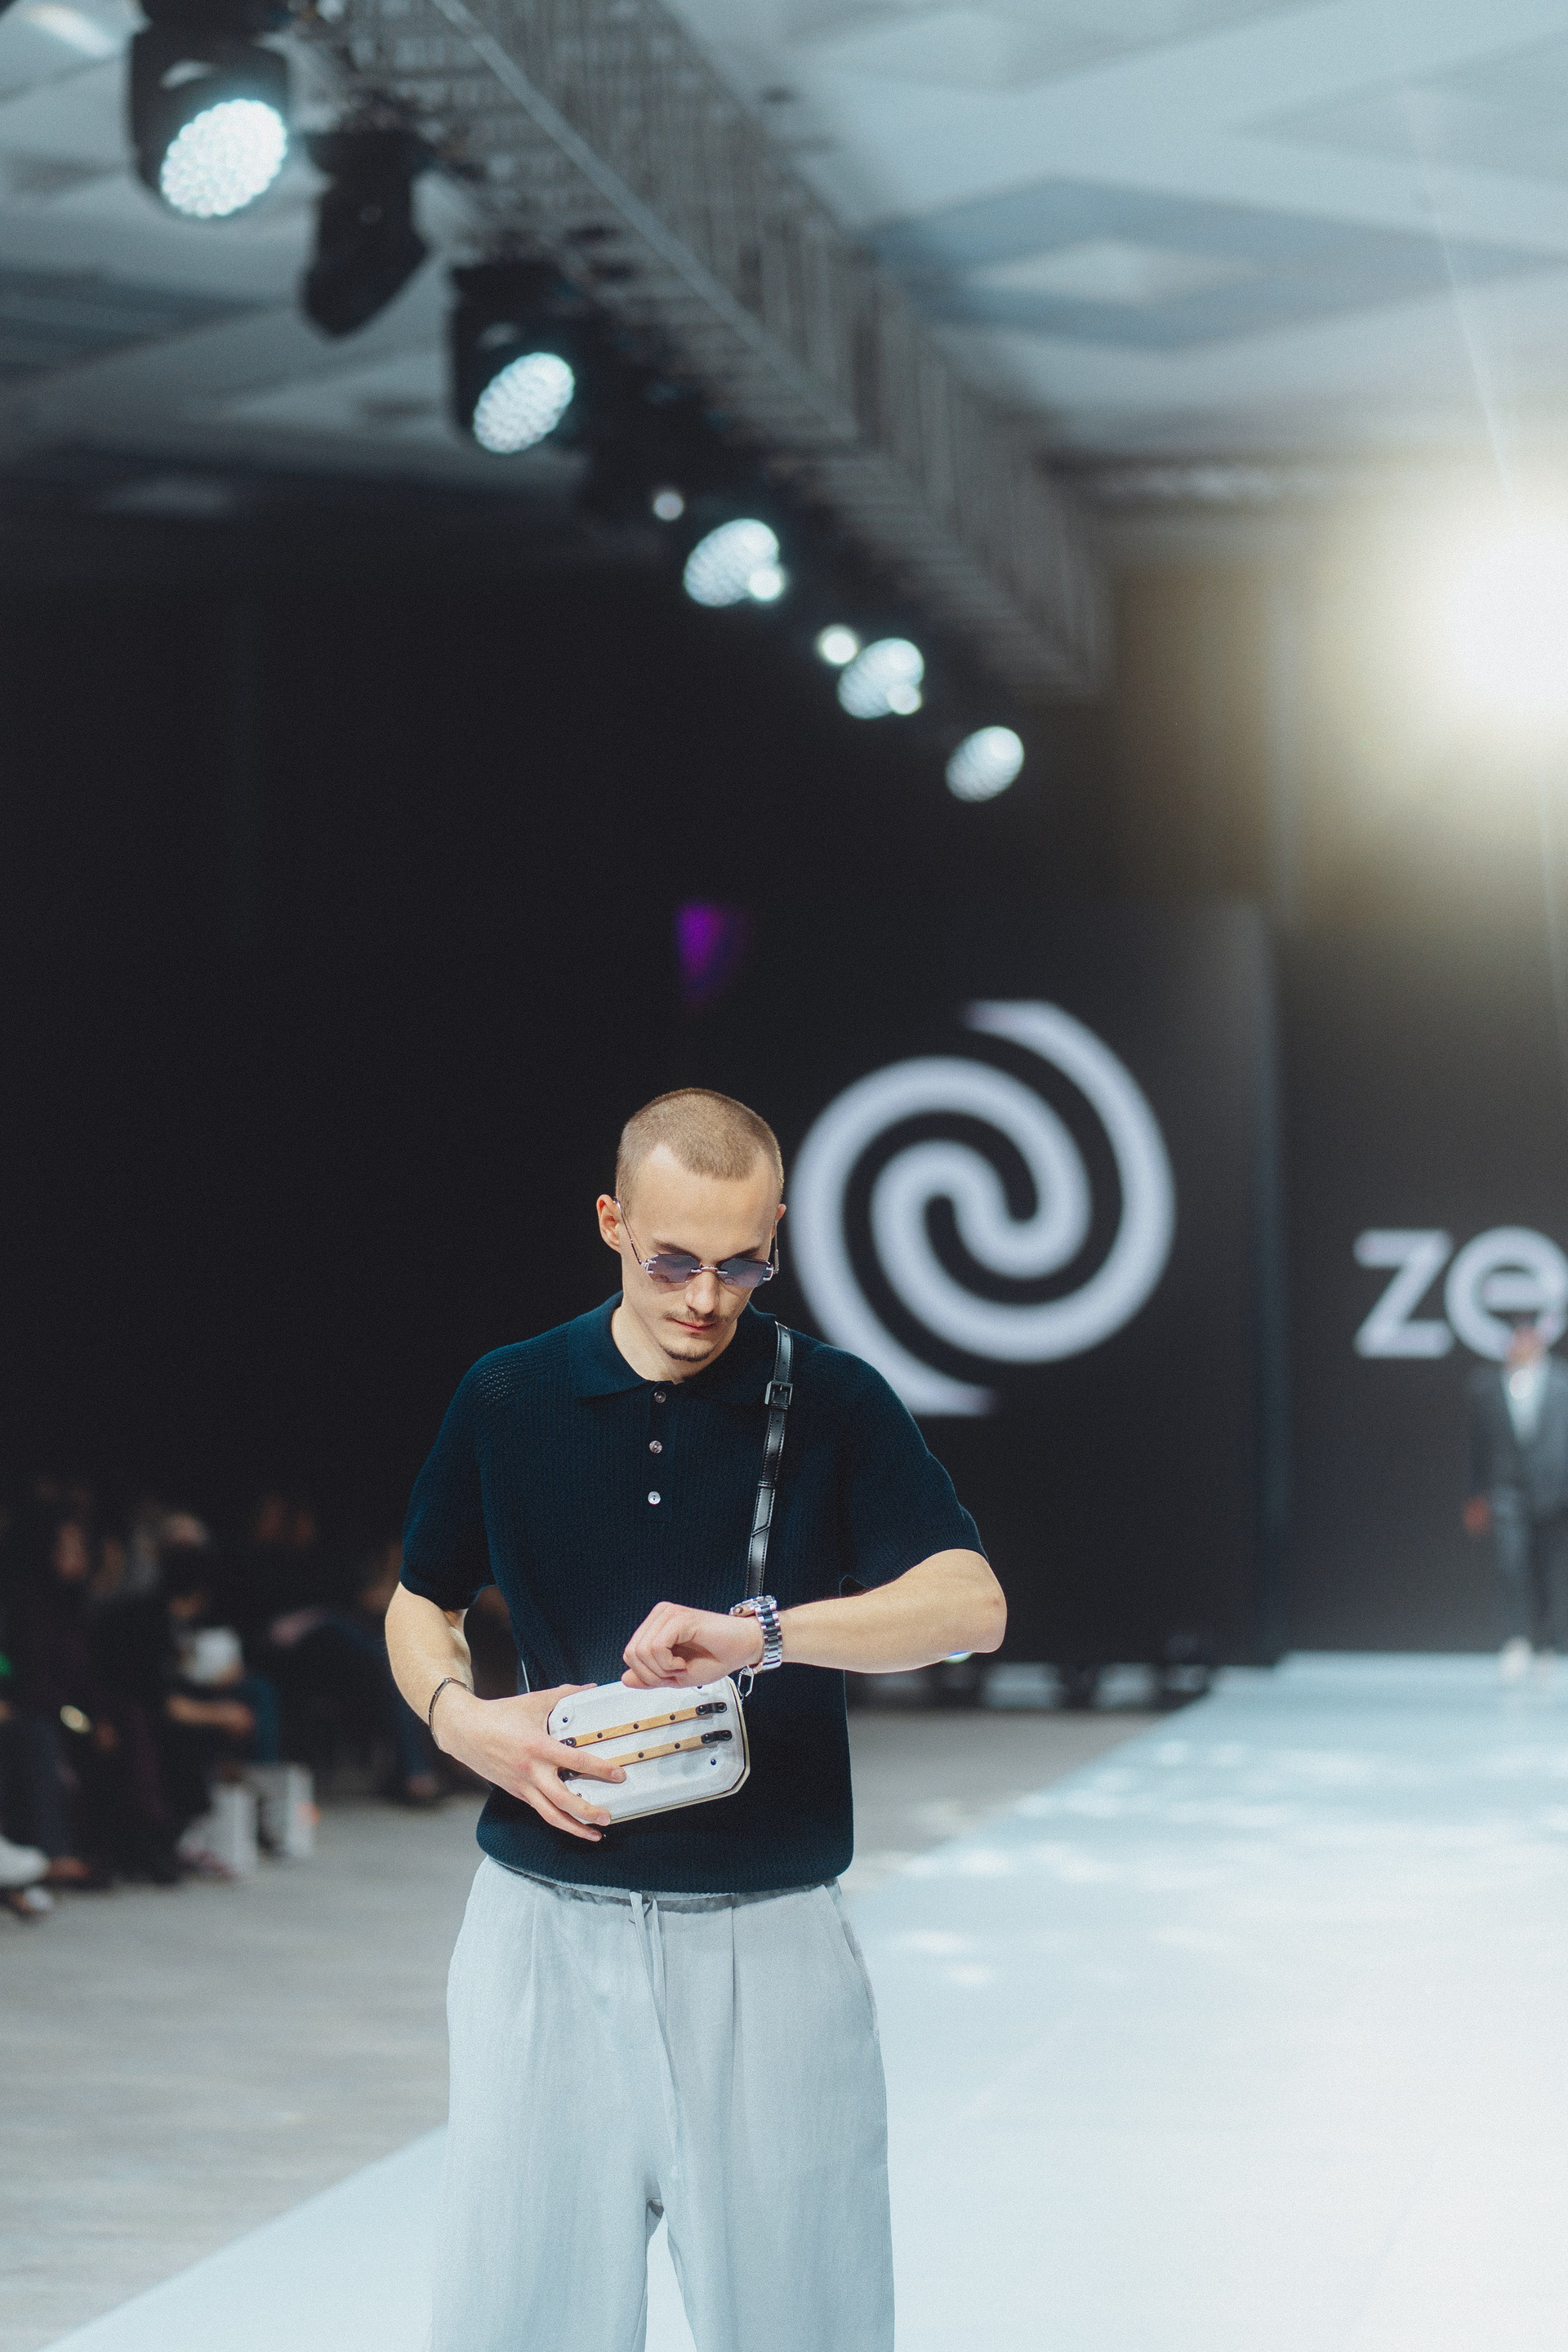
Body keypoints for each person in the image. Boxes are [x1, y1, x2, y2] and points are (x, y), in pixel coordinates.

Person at [387, 1087, 1005, 2352]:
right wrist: (462, 1721)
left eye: (742, 1264)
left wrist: (767, 1634)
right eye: (671, 1260)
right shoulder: (509, 1396)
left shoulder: (834, 1402)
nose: (706, 1299)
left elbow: (971, 1606)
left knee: (805, 2326)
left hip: (768, 1944)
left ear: (775, 1234)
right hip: (543, 1933)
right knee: (518, 2327)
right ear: (611, 1222)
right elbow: (421, 1600)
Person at [1463, 1316, 1568, 1680]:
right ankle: (1516, 1639)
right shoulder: (1486, 1386)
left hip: (1555, 1494)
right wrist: (1476, 1494)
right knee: (1511, 1567)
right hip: (1506, 1492)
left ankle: (1548, 1642)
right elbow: (1478, 1446)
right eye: (1516, 1339)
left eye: (1529, 1339)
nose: (1522, 1346)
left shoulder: (1562, 1383)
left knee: (1550, 1570)